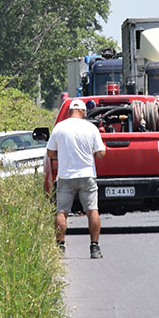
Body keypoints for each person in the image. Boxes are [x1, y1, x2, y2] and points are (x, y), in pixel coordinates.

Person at [46, 99, 106, 257]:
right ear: (84, 111)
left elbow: (50, 153)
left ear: (70, 111)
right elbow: (101, 153)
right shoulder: (91, 128)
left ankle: (60, 247)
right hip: (87, 176)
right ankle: (94, 247)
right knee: (92, 211)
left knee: (61, 212)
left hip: (66, 176)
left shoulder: (60, 128)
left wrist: (64, 154)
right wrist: (91, 153)